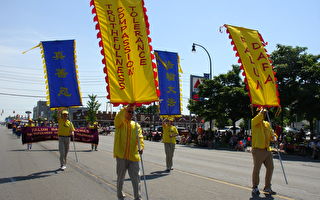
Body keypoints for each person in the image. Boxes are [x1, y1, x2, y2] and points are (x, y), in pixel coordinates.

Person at [114, 105, 144, 200]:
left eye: (132, 112)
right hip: (121, 155)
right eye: (129, 111)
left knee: (136, 178)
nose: (131, 114)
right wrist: (127, 107)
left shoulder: (136, 125)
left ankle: (137, 197)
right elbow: (119, 117)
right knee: (120, 178)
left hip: (133, 156)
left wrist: (141, 147)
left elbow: (140, 138)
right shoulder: (120, 123)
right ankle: (120, 195)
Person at [251, 108, 278, 195]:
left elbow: (272, 134)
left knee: (270, 168)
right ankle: (255, 187)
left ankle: (267, 187)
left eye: (266, 113)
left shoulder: (267, 124)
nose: (265, 114)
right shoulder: (254, 121)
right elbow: (258, 117)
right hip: (258, 149)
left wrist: (274, 137)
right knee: (257, 169)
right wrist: (261, 112)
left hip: (267, 150)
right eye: (263, 113)